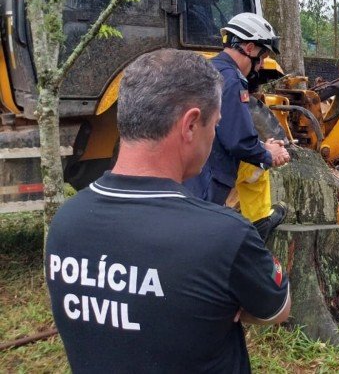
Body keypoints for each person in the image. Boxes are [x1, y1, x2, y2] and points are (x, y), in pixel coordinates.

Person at [45, 49, 290, 373]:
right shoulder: (223, 237)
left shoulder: (65, 223)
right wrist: (221, 302)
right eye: (214, 125)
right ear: (190, 126)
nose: (215, 135)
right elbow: (278, 309)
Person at [184, 13, 291, 240]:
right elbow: (239, 140)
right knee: (258, 165)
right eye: (262, 58)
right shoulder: (231, 81)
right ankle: (260, 221)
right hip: (206, 183)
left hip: (188, 171)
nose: (261, 66)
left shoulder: (203, 69)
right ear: (250, 48)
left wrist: (262, 147)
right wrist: (269, 154)